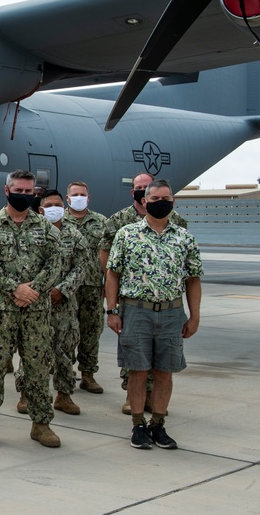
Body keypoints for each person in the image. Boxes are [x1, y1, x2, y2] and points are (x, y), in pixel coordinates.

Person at [105, 179, 202, 450]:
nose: (161, 202)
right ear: (144, 201)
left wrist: (194, 316)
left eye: (166, 198)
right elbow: (112, 273)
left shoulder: (184, 238)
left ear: (173, 201)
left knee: (164, 371)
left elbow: (193, 279)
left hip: (171, 313)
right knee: (137, 370)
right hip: (136, 311)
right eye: (155, 198)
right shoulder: (126, 234)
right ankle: (138, 424)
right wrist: (112, 311)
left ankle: (157, 424)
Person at [0, 169, 63, 448]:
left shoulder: (45, 228)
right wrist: (14, 288)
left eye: (29, 192)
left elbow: (55, 263)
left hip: (35, 312)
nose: (24, 196)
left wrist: (31, 290)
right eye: (19, 191)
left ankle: (41, 424)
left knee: (37, 367)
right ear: (7, 190)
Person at [16, 190, 87, 416]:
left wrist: (63, 290)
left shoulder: (74, 235)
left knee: (65, 351)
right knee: (32, 349)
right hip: (35, 303)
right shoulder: (30, 233)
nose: (55, 208)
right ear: (41, 209)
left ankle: (64, 395)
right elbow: (21, 266)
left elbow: (81, 267)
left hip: (64, 304)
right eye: (50, 204)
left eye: (59, 204)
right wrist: (37, 290)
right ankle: (26, 394)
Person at [61, 181, 109, 395]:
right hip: (66, 287)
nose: (79, 197)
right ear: (67, 198)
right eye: (75, 194)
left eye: (82, 194)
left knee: (91, 330)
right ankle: (65, 373)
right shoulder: (57, 221)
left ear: (88, 198)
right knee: (65, 330)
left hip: (92, 286)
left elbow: (109, 255)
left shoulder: (101, 222)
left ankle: (88, 374)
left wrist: (107, 281)